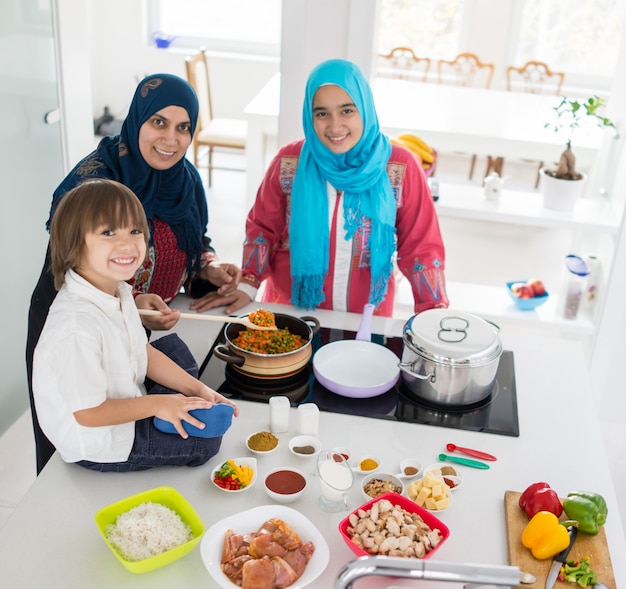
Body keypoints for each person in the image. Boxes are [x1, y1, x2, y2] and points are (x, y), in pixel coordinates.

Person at [26, 73, 241, 473]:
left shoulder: (185, 180)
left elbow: (194, 242)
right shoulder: (92, 187)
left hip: (123, 311)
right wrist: (162, 402)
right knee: (69, 421)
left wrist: (202, 270)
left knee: (159, 361)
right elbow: (74, 258)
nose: (171, 138)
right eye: (158, 122)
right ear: (136, 120)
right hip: (81, 311)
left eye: (183, 127)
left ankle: (145, 411)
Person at [190, 59, 448, 318]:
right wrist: (248, 283)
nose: (335, 126)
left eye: (347, 111)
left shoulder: (399, 166)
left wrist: (432, 311)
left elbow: (421, 247)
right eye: (322, 113)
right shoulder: (289, 161)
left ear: (365, 108)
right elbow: (263, 228)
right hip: (290, 311)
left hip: (367, 318)